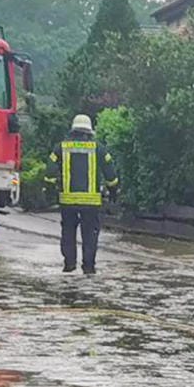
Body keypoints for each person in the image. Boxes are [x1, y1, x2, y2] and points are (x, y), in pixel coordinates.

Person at [49, 114, 118, 274]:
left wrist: (51, 188)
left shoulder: (61, 147)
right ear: (89, 131)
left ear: (73, 130)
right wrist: (113, 190)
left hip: (68, 202)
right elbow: (110, 173)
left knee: (68, 232)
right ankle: (88, 267)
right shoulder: (99, 148)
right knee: (90, 235)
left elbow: (50, 171)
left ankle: (69, 265)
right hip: (91, 203)